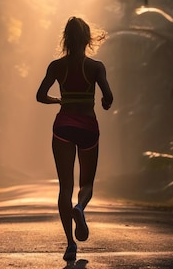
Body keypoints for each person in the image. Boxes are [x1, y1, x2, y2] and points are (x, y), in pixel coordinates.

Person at [36, 16, 114, 262]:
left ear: (66, 39)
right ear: (87, 39)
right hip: (88, 128)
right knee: (86, 185)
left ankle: (70, 244)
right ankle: (80, 208)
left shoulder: (56, 66)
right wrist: (103, 101)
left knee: (64, 187)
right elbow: (108, 97)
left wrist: (58, 100)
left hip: (63, 127)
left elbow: (40, 96)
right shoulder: (96, 67)